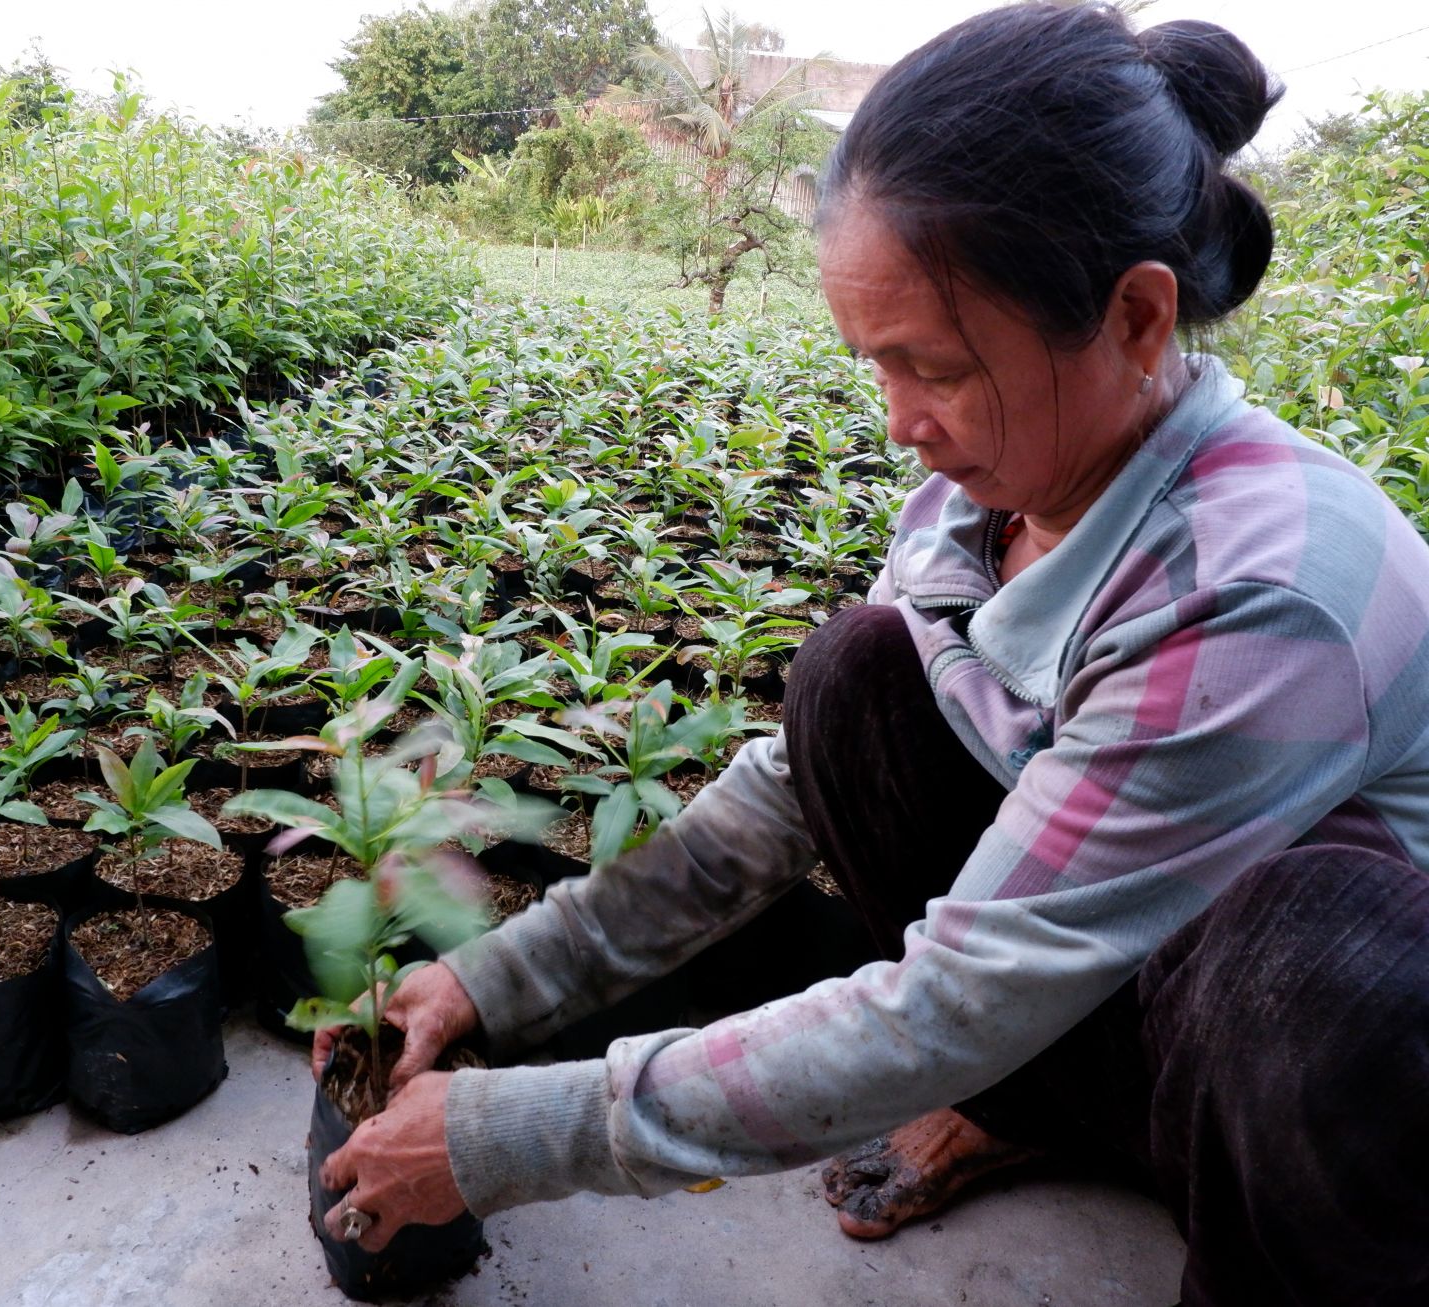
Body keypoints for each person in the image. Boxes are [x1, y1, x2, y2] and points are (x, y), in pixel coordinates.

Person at [312, 6, 1429, 1303]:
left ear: (1133, 319)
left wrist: (519, 1132)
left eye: (936, 369)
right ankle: (1038, 1112)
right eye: (875, 368)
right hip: (1127, 986)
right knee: (858, 677)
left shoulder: (1264, 590)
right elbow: (788, 792)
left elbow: (953, 998)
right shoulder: (987, 498)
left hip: (1324, 1096)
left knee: (1321, 943)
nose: (902, 424)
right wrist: (502, 975)